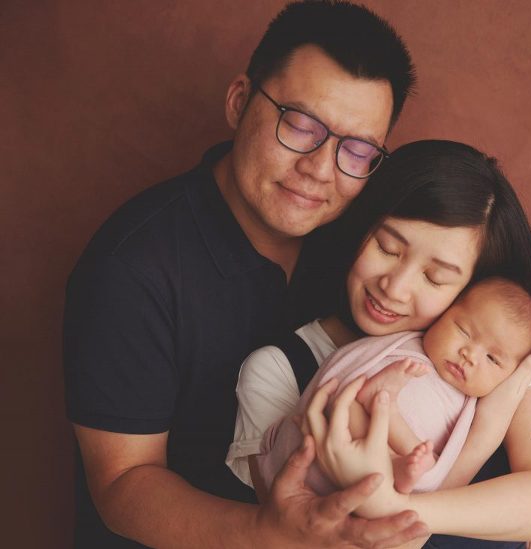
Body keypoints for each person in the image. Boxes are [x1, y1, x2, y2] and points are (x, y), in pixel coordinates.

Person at [62, 2, 426, 547]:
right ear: (239, 102)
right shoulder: (132, 266)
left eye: (356, 150)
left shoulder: (364, 249)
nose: (320, 170)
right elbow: (121, 483)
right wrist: (270, 532)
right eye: (301, 125)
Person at [226, 140, 531, 548]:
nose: (394, 288)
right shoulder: (281, 369)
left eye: (435, 278)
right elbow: (294, 536)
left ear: (471, 290)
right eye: (387, 247)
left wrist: (394, 505)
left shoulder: (493, 362)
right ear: (361, 228)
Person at [250, 277, 531, 500]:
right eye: (463, 331)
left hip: (379, 473)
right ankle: (384, 411)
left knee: (426, 465)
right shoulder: (407, 347)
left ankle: (393, 444)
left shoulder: (479, 408)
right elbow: (343, 382)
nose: (469, 355)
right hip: (341, 423)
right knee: (347, 407)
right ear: (444, 312)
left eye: (492, 358)